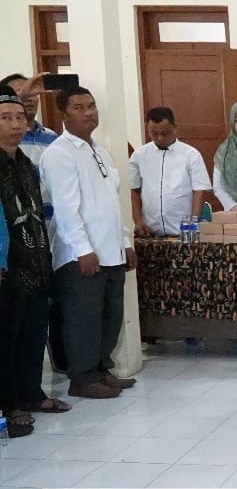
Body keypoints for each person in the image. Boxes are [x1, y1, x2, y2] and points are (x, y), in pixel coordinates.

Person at [40, 87, 137, 400]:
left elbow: (112, 203)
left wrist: (125, 241)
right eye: (79, 107)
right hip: (81, 254)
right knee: (83, 318)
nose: (89, 112)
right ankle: (81, 378)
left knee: (109, 316)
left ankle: (100, 369)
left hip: (111, 250)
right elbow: (66, 208)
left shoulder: (100, 151)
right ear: (63, 115)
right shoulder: (59, 153)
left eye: (91, 106)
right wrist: (83, 249)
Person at [0, 86, 65, 439]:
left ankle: (32, 394)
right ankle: (10, 404)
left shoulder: (25, 163)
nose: (16, 124)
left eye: (20, 117)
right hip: (6, 266)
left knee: (33, 333)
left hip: (35, 261)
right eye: (5, 118)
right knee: (6, 338)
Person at [129, 107, 212, 238]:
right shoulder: (139, 156)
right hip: (150, 233)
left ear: (174, 128)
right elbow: (134, 190)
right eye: (154, 133)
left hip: (182, 232)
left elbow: (199, 191)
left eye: (165, 133)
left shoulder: (191, 155)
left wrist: (192, 225)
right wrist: (138, 221)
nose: (160, 138)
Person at [0, 73, 57, 167]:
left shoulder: (52, 136)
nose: (28, 98)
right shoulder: (8, 137)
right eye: (19, 92)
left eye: (32, 94)